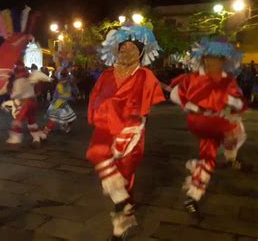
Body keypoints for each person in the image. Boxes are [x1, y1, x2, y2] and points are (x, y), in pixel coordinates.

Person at [87, 25, 165, 241]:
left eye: (132, 46)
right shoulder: (105, 75)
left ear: (140, 51)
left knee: (125, 176)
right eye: (124, 46)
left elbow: (148, 104)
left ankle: (121, 223)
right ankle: (122, 200)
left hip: (130, 133)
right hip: (105, 127)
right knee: (96, 152)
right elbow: (94, 98)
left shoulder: (145, 75)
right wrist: (96, 115)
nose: (127, 49)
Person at [169, 38, 248, 214]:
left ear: (225, 60)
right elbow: (176, 94)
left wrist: (230, 101)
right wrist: (194, 106)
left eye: (219, 58)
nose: (214, 62)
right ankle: (195, 190)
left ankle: (207, 168)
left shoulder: (228, 81)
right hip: (203, 122)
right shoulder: (193, 78)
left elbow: (240, 102)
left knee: (233, 137)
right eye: (211, 57)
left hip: (219, 121)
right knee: (211, 155)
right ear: (204, 58)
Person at [2, 60, 51, 145]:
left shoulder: (18, 80)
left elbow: (17, 92)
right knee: (31, 121)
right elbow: (37, 88)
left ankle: (15, 138)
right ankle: (37, 138)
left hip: (25, 103)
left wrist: (11, 94)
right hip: (33, 101)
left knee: (18, 120)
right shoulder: (30, 77)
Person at [43, 63, 78, 136]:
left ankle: (63, 127)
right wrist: (71, 97)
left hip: (62, 104)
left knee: (70, 118)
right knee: (54, 120)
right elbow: (62, 95)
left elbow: (70, 90)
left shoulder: (66, 83)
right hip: (58, 104)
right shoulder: (62, 84)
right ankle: (44, 134)